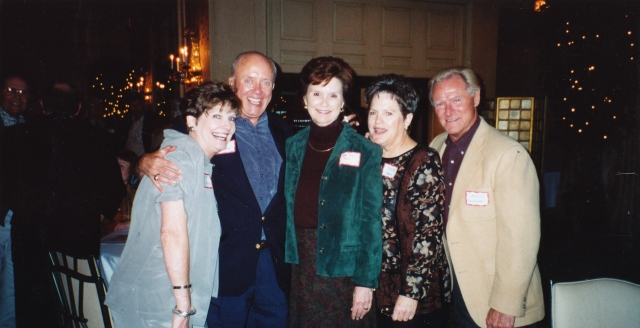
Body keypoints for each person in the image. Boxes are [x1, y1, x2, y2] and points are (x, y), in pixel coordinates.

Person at [138, 51, 292, 327]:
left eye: (266, 82)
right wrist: (143, 161)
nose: (257, 90)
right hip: (225, 266)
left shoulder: (287, 134)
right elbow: (162, 159)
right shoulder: (207, 126)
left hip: (274, 266)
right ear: (233, 83)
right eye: (249, 80)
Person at [105, 82, 238, 327]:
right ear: (191, 121)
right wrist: (183, 307)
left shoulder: (197, 162)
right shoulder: (179, 162)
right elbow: (172, 233)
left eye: (231, 118)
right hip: (160, 301)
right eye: (217, 116)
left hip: (166, 296)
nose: (227, 126)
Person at [1, 81, 125, 327]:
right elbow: (112, 194)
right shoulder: (98, 139)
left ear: (42, 105)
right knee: (76, 308)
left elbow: (6, 190)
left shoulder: (14, 137)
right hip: (77, 239)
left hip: (30, 238)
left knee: (33, 312)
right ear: (78, 107)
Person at [428, 67, 544, 328]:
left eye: (456, 100)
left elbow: (521, 238)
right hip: (455, 291)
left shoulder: (507, 154)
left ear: (476, 98)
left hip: (495, 298)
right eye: (440, 103)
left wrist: (505, 304)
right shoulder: (436, 147)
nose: (448, 111)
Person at [284, 56, 382, 327]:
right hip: (302, 268)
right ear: (305, 99)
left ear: (342, 102)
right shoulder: (292, 146)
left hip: (344, 272)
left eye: (332, 95)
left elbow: (371, 223)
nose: (324, 103)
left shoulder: (366, 150)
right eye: (316, 93)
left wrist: (365, 283)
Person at [365, 74, 450, 327]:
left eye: (389, 113)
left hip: (415, 294)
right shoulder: (370, 157)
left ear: (407, 119)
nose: (378, 121)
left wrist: (411, 293)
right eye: (373, 113)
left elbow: (428, 233)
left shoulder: (423, 161)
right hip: (376, 288)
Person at [0, 75, 30, 328]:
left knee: (11, 283)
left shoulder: (30, 128)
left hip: (15, 219)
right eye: (11, 90)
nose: (17, 97)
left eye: (23, 92)